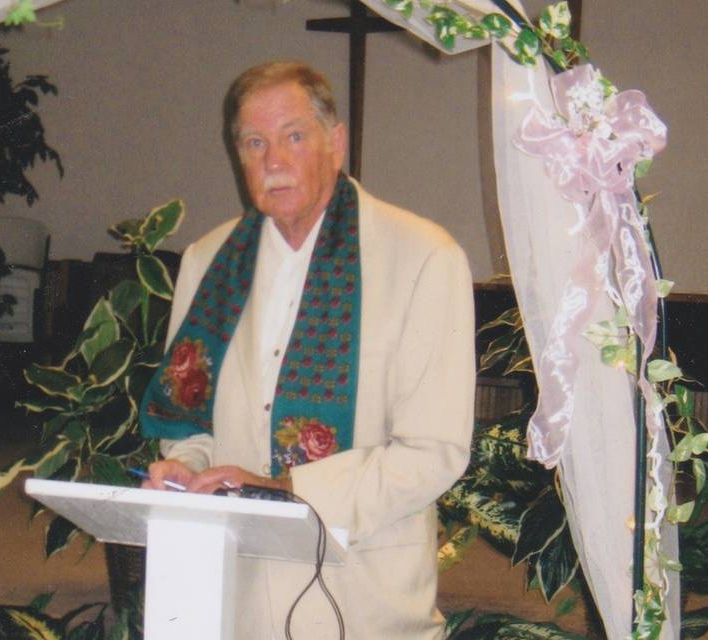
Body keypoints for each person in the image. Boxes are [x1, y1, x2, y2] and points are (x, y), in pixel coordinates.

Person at [140, 60, 475, 639]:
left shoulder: (422, 257)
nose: (273, 161)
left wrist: (287, 490)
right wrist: (186, 468)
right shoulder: (207, 262)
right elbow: (190, 421)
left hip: (361, 592)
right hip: (233, 591)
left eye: (293, 136)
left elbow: (434, 453)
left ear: (335, 142)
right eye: (254, 142)